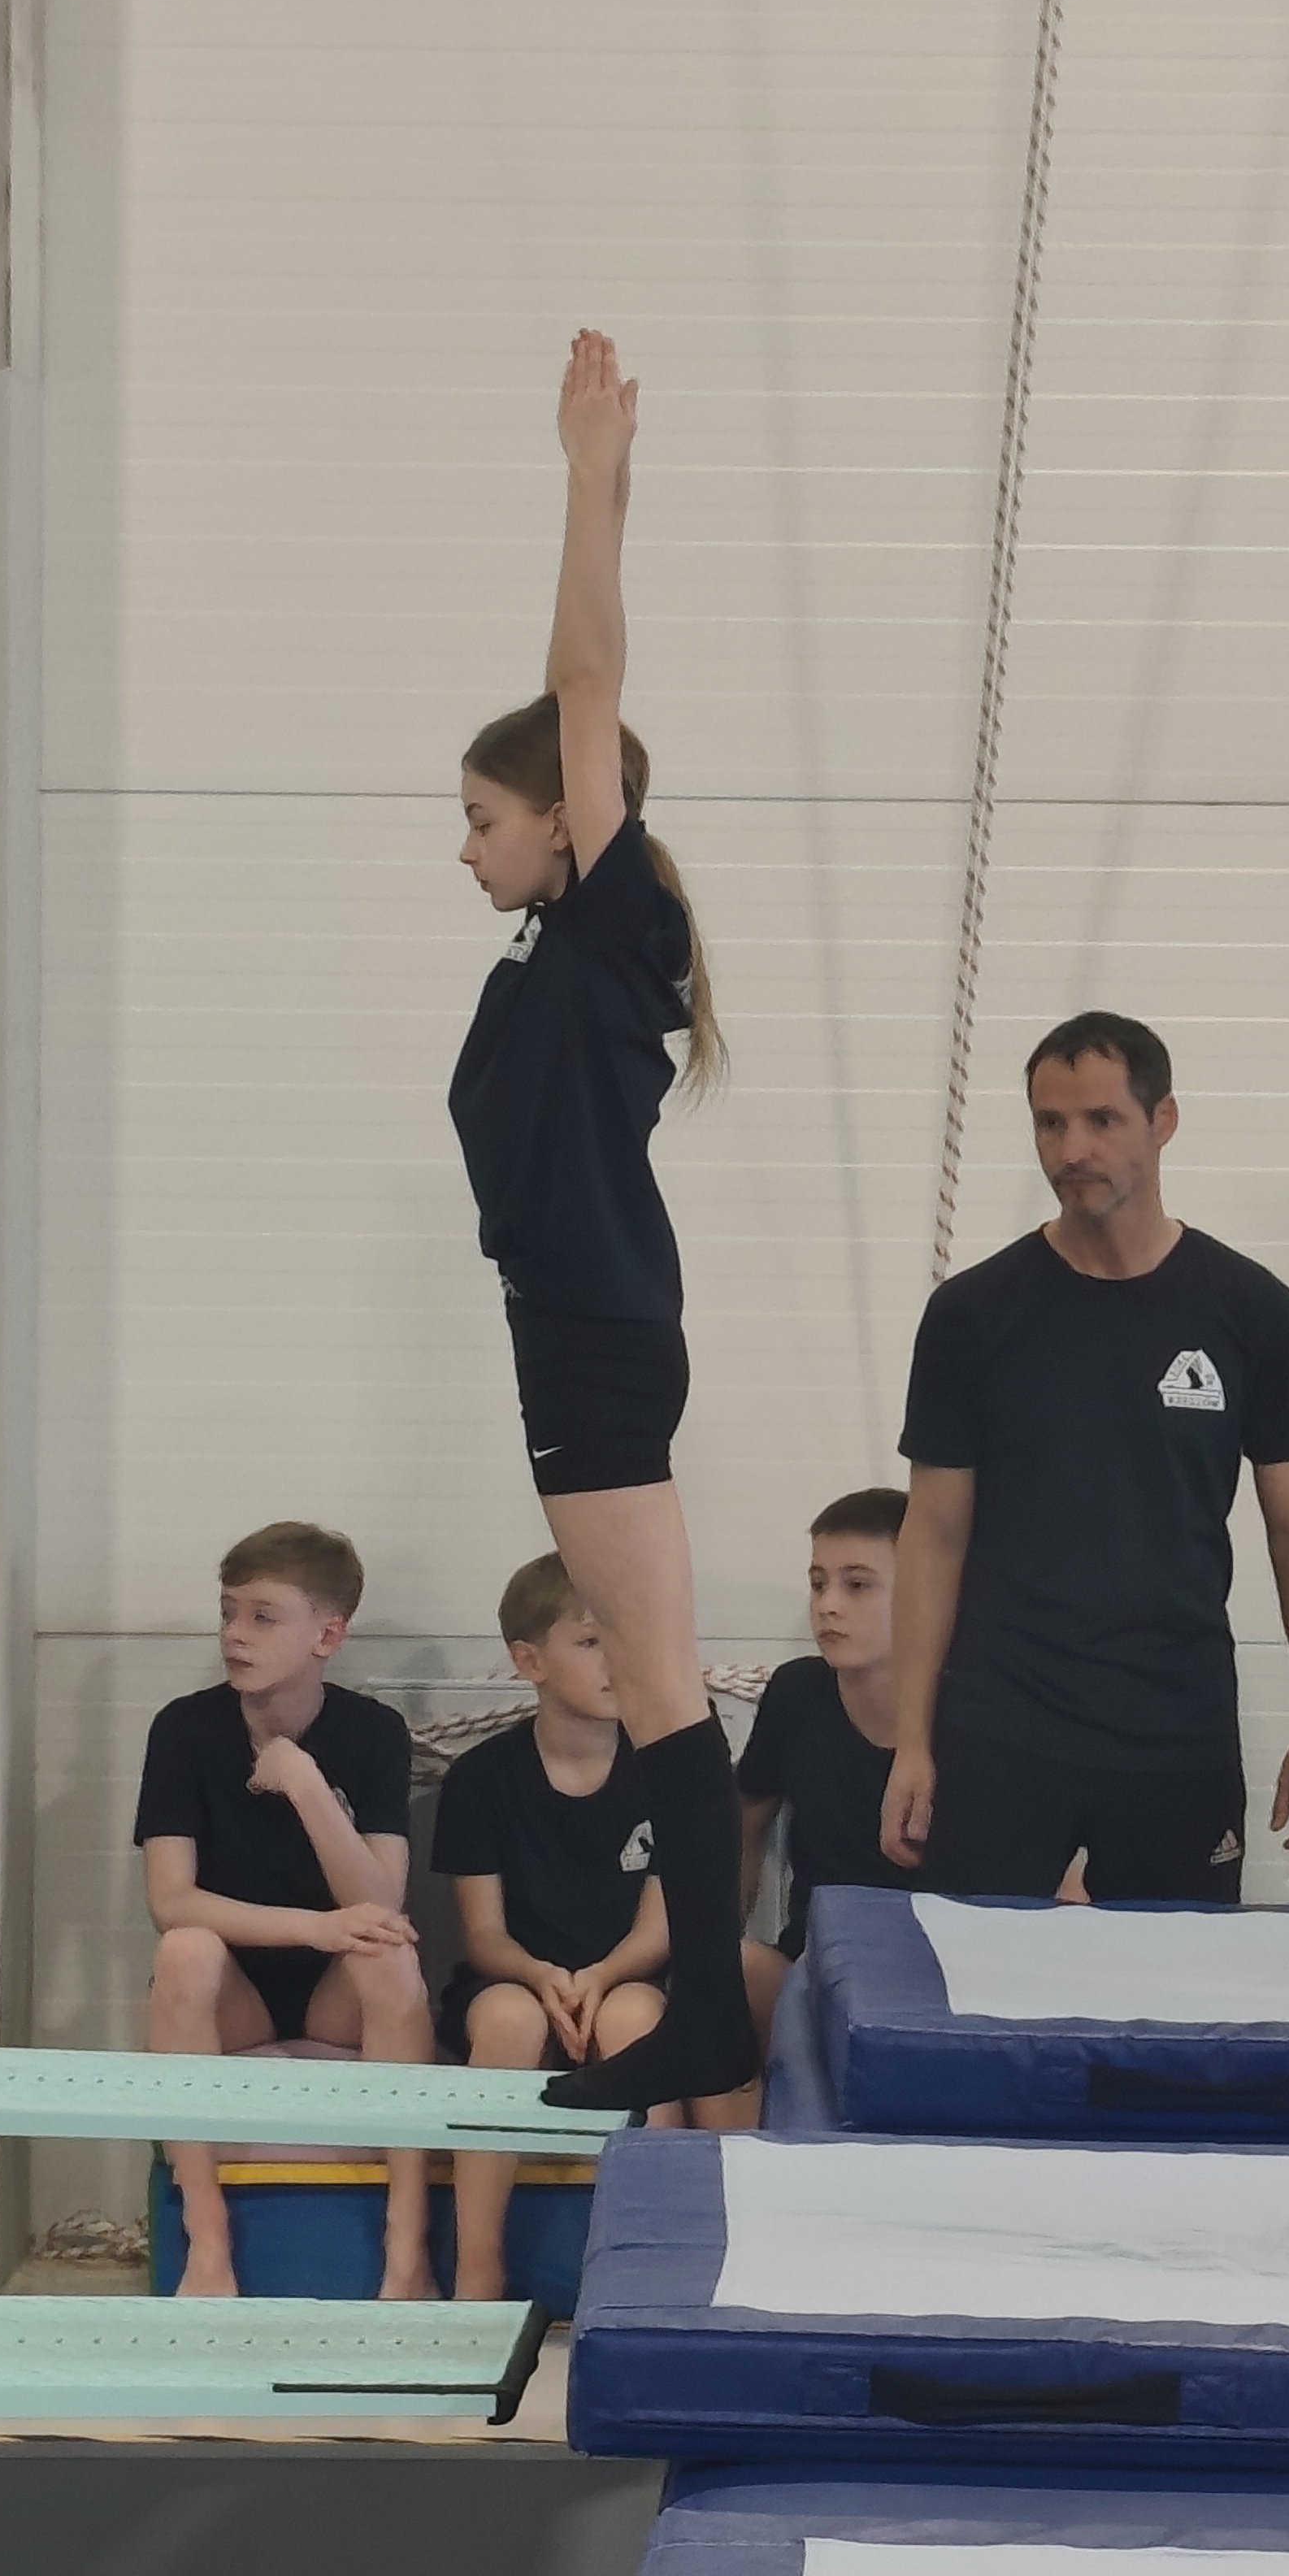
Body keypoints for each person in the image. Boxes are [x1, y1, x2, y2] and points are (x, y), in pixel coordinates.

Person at [446, 326, 756, 2121]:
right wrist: (600, 479)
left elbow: (586, 672)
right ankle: (703, 2009)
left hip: (599, 1336)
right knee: (650, 1680)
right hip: (576, 1332)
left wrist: (587, 484)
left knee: (656, 1685)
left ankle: (703, 2014)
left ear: (568, 819)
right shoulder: (549, 953)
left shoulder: (610, 925)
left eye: (482, 818)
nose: (466, 846)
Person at [880, 1012, 1289, 1905]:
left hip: (1176, 1725)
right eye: (1050, 1123)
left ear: (1162, 1120)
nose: (1072, 1150)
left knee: (1176, 1984)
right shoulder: (974, 1314)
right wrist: (911, 1742)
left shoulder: (1248, 1308)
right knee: (980, 1980)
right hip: (1003, 1722)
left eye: (1102, 1120)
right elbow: (932, 1535)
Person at [137, 1522, 432, 2298]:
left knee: (389, 1952)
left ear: (326, 1634)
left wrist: (304, 1784)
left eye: (263, 1617)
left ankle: (407, 2246)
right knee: (185, 1950)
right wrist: (316, 1927)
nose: (235, 1634)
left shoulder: (373, 1732)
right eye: (228, 1612)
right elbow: (171, 1901)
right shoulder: (185, 1728)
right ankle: (207, 2244)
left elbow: (380, 1902)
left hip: (336, 2001)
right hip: (238, 1996)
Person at [432, 1553, 682, 2297]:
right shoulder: (481, 1778)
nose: (615, 1660)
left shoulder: (667, 1771)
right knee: (508, 2020)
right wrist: (542, 1977)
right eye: (591, 1641)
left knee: (635, 2019)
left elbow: (658, 1931)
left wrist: (600, 1978)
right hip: (517, 1982)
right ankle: (479, 2267)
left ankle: (658, 2264)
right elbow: (485, 1937)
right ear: (529, 1660)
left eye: (624, 1639)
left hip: (624, 1977)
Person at [734, 1489, 915, 2049]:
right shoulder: (798, 1693)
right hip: (815, 1968)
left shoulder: (979, 1710)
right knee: (729, 1967)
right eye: (818, 1583)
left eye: (857, 1585)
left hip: (931, 1979)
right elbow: (743, 1825)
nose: (827, 1605)